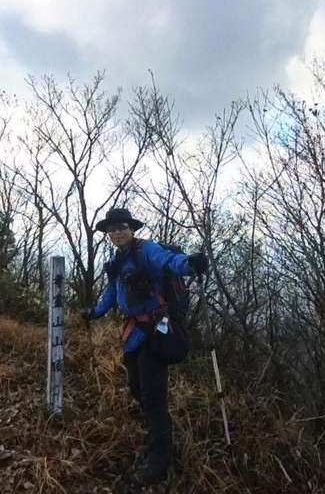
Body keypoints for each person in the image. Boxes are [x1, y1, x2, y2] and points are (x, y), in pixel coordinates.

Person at [84, 207, 208, 485]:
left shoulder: (146, 251)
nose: (117, 233)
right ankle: (158, 432)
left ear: (132, 229)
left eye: (122, 227)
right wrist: (95, 312)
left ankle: (159, 461)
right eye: (112, 229)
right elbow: (112, 292)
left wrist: (190, 264)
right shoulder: (117, 260)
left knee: (153, 396)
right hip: (134, 336)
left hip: (156, 332)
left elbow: (169, 262)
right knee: (137, 389)